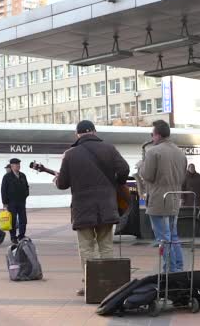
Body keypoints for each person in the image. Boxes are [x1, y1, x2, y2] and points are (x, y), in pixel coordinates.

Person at [54, 120, 129, 296]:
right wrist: (117, 183)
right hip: (107, 206)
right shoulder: (109, 148)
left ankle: (91, 285)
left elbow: (63, 184)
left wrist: (57, 180)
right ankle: (109, 284)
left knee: (86, 248)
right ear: (94, 132)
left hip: (82, 209)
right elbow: (124, 168)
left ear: (77, 135)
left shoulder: (70, 154)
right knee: (106, 246)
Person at [140, 120, 187, 273]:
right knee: (173, 236)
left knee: (163, 238)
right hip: (175, 198)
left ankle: (170, 271)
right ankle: (179, 268)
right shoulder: (180, 152)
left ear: (158, 135)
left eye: (152, 134)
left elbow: (147, 175)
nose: (151, 137)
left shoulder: (153, 152)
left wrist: (141, 165)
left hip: (158, 199)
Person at [1, 158, 30, 244]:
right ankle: (13, 237)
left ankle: (21, 235)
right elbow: (3, 190)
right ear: (12, 166)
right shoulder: (7, 177)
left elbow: (26, 186)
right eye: (16, 165)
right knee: (12, 220)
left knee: (23, 220)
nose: (18, 166)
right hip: (11, 202)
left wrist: (25, 194)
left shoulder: (22, 175)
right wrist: (5, 203)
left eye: (19, 164)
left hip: (21, 201)